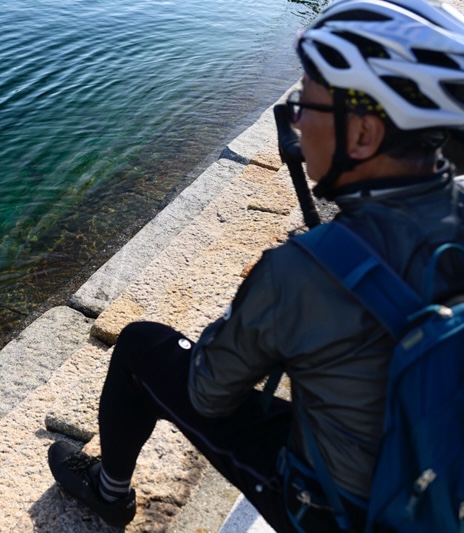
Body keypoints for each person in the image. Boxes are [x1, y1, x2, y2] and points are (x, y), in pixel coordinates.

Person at [47, 0, 464, 531]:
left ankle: (108, 490)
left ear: (363, 135)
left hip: (338, 511)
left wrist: (253, 308)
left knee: (138, 344)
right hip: (435, 473)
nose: (294, 121)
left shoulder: (301, 272)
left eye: (307, 104)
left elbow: (209, 392)